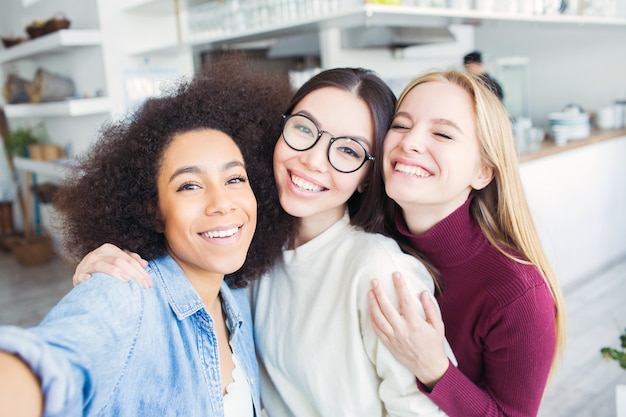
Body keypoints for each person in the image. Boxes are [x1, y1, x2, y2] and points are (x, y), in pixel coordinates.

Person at [69, 67, 453, 417]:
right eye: (304, 129)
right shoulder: (246, 248)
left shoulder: (382, 272)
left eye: (348, 150)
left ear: (367, 177)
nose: (314, 161)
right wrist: (108, 260)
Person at [0, 55, 294, 417]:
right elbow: (54, 363)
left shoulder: (234, 299)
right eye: (189, 185)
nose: (222, 203)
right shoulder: (124, 295)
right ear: (152, 211)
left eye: (234, 179)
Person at [368, 69, 566, 417]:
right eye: (400, 125)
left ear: (483, 171)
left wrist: (435, 370)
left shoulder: (520, 295)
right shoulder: (370, 238)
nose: (410, 142)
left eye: (442, 133)